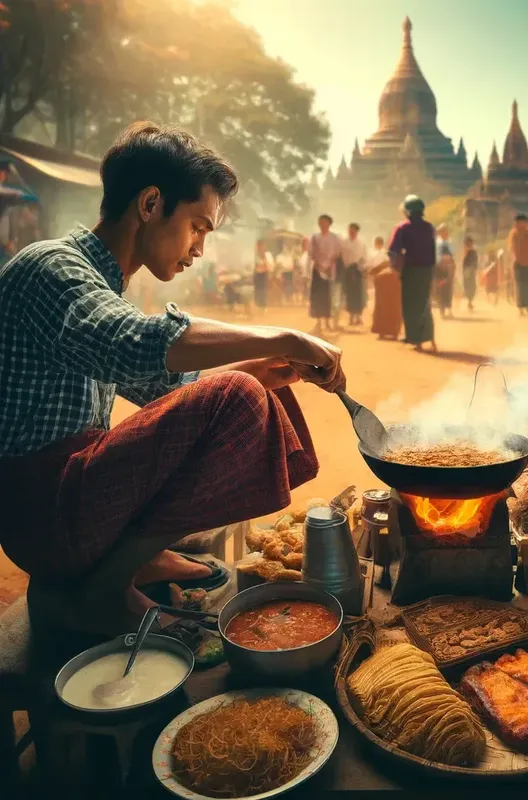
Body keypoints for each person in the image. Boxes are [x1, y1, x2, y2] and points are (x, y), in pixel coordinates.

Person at [0, 121, 345, 636]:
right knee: (239, 398)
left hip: (69, 497)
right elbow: (137, 341)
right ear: (150, 203)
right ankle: (105, 588)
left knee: (254, 389)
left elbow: (166, 389)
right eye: (198, 226)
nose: (200, 247)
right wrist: (282, 338)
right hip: (45, 516)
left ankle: (141, 556)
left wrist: (260, 368)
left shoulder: (99, 284)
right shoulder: (52, 268)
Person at [388, 195, 437, 353]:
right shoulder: (429, 227)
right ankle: (428, 336)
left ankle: (415, 339)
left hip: (410, 271)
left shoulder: (402, 228)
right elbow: (432, 251)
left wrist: (394, 268)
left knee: (410, 305)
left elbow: (393, 251)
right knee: (424, 303)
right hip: (427, 270)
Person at [308, 214, 341, 335]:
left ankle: (327, 322)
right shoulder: (315, 237)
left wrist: (328, 265)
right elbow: (311, 253)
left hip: (329, 269)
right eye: (320, 222)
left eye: (325, 222)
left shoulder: (334, 238)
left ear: (329, 224)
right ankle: (318, 323)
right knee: (317, 297)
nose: (322, 225)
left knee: (328, 296)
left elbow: (337, 253)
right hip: (317, 270)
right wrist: (319, 265)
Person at [368, 235, 402, 340]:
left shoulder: (388, 262)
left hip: (389, 283)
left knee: (385, 308)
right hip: (391, 284)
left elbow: (372, 272)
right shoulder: (389, 262)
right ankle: (392, 332)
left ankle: (384, 332)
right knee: (393, 308)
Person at [507, 213, 528, 316]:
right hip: (518, 263)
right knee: (520, 285)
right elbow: (513, 248)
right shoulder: (514, 234)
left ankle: (527, 306)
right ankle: (520, 307)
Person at [341, 222, 367, 326]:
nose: (350, 232)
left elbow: (364, 258)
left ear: (356, 231)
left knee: (359, 294)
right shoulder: (344, 242)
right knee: (349, 294)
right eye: (349, 230)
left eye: (352, 230)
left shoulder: (361, 243)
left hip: (358, 270)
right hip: (347, 270)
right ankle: (351, 317)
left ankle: (358, 317)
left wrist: (363, 269)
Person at [434, 224, 455, 318]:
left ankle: (449, 308)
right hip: (438, 267)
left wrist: (448, 260)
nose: (444, 233)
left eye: (445, 230)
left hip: (448, 267)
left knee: (448, 288)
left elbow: (452, 253)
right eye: (442, 231)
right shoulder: (436, 242)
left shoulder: (450, 242)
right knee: (439, 288)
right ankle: (441, 309)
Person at [276, 240, 296, 305]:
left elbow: (292, 266)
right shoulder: (279, 257)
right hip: (282, 274)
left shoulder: (290, 256)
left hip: (289, 274)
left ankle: (289, 299)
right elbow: (279, 266)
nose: (286, 248)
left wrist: (290, 268)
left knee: (289, 286)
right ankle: (283, 300)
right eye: (285, 246)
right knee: (282, 287)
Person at [253, 238, 269, 309]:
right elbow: (256, 266)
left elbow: (267, 265)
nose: (262, 247)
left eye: (262, 246)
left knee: (263, 290)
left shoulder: (266, 255)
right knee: (258, 290)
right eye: (260, 246)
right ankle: (258, 305)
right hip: (257, 275)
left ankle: (263, 305)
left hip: (264, 274)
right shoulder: (255, 255)